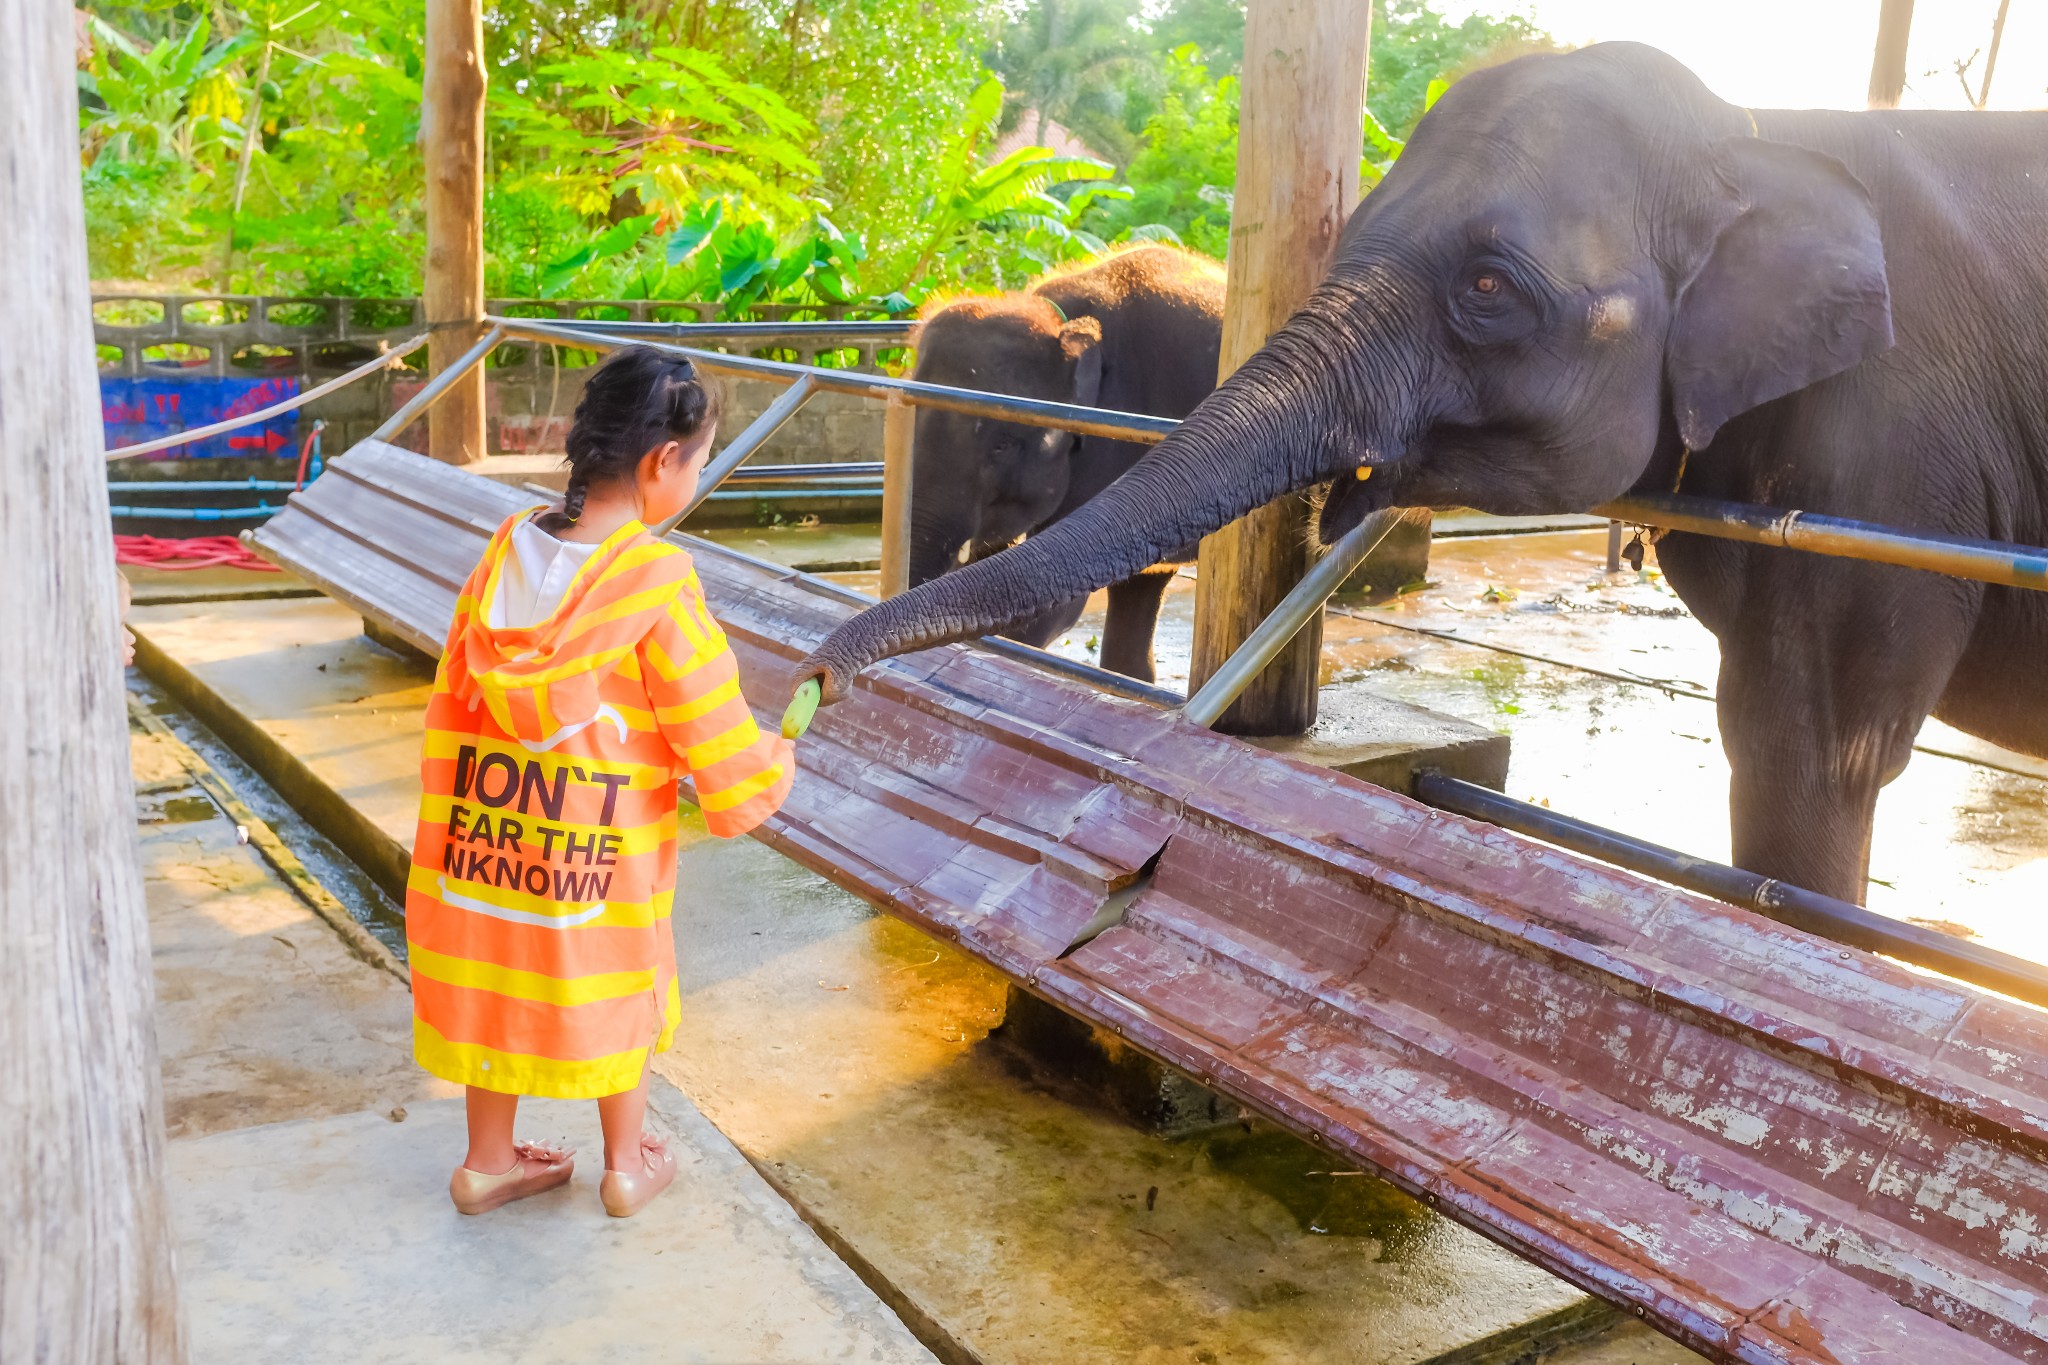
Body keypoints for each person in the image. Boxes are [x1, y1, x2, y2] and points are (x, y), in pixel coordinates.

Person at [406, 346, 795, 1218]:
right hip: (593, 855)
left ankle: (487, 1160)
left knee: (492, 966)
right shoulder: (655, 579)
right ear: (664, 461)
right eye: (700, 460)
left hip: (487, 841)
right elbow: (712, 724)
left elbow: (461, 686)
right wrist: (769, 765)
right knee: (617, 975)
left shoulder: (506, 551)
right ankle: (626, 1163)